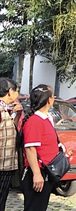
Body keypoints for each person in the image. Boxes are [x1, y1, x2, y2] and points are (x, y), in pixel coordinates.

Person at [20, 85, 59, 211]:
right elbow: (30, 149)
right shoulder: (35, 121)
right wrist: (37, 174)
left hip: (46, 171)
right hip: (37, 172)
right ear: (49, 100)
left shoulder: (46, 119)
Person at [0, 78, 23, 211]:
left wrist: (17, 116)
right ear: (10, 92)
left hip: (6, 165)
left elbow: (8, 131)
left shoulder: (6, 110)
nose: (17, 95)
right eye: (16, 91)